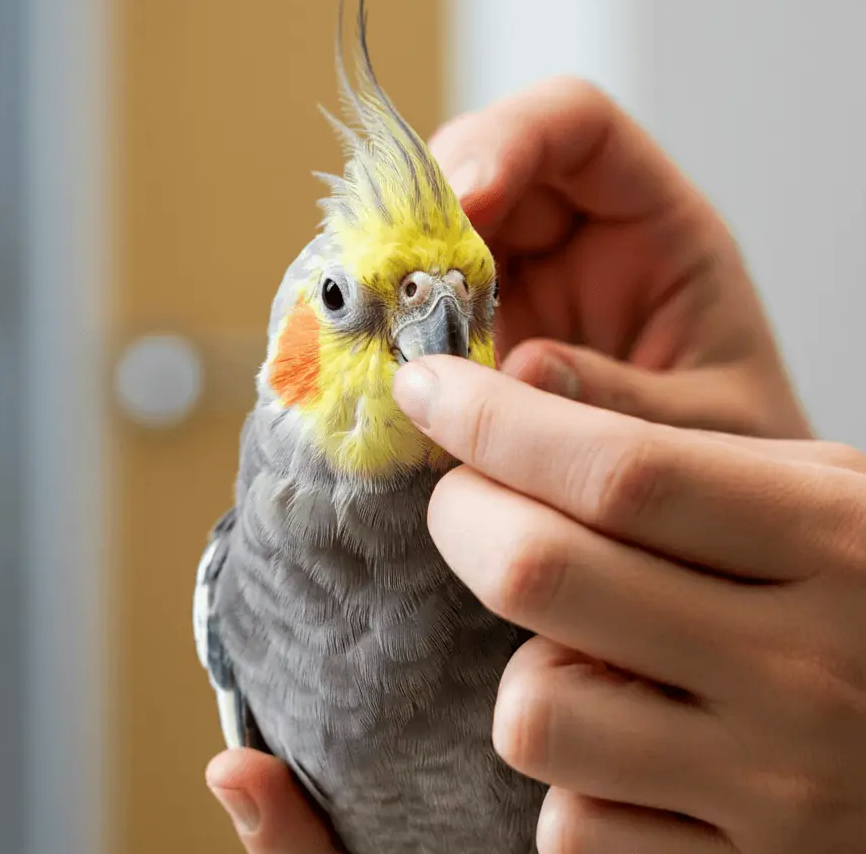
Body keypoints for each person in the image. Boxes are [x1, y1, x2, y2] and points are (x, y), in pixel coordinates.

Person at [204, 78, 866, 853]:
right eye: (343, 300)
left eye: (473, 304)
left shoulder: (565, 555)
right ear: (288, 348)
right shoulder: (232, 594)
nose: (434, 324)